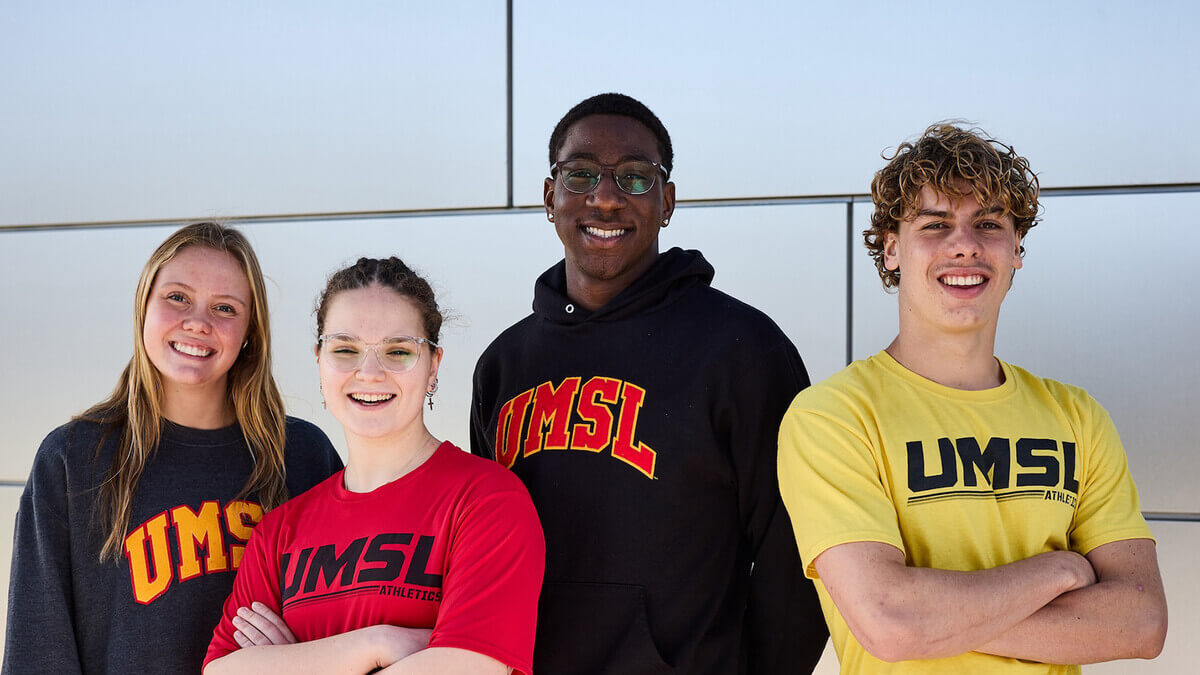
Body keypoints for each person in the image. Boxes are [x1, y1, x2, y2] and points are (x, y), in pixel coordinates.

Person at [778, 123, 1168, 674]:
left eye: (988, 224)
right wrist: (1060, 571)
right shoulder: (834, 418)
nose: (964, 244)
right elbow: (891, 621)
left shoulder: (1077, 417)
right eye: (935, 225)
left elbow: (1142, 622)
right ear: (892, 249)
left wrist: (937, 621)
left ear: (1016, 250)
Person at [470, 92, 828, 674]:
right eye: (581, 174)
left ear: (666, 202)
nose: (606, 198)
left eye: (635, 178)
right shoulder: (504, 366)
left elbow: (797, 558)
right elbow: (488, 560)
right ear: (550, 197)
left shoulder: (742, 349)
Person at [3, 222, 343, 674]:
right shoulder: (75, 458)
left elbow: (352, 621)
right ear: (143, 306)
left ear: (250, 333)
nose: (198, 322)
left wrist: (304, 654)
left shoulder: (302, 457)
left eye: (225, 307)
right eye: (177, 297)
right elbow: (36, 651)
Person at [204, 257, 545, 674]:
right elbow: (219, 670)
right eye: (345, 349)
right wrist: (378, 643)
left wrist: (293, 663)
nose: (369, 372)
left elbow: (469, 668)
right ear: (319, 360)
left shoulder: (486, 501)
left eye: (397, 351)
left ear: (433, 365)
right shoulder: (279, 533)